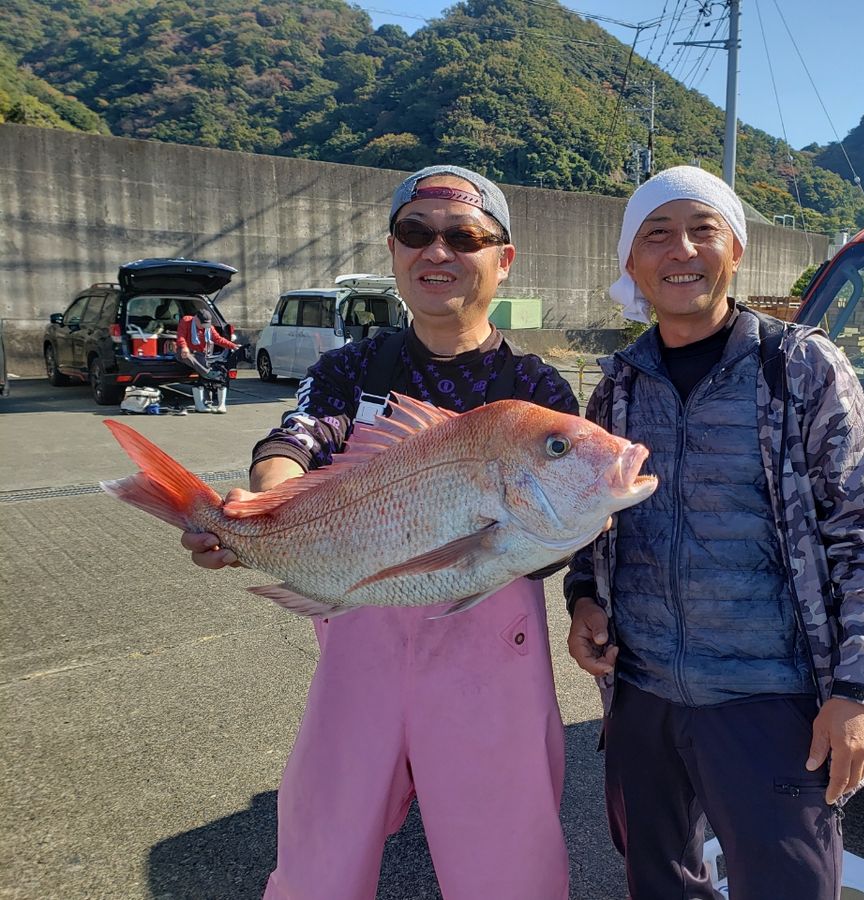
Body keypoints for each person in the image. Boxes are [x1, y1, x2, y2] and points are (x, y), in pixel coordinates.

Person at [182, 165, 575, 900]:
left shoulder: (539, 395)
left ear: (503, 258)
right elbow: (301, 432)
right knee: (323, 850)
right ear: (393, 252)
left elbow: (566, 527)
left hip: (491, 651)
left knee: (506, 861)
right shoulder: (350, 369)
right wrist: (261, 509)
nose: (438, 252)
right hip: (359, 638)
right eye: (414, 233)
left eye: (464, 236)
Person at [564, 166, 864, 899]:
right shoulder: (619, 384)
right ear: (632, 261)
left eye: (702, 230)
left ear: (736, 250)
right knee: (659, 884)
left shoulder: (799, 368)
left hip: (771, 699)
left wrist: (859, 690)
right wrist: (584, 599)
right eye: (656, 235)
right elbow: (592, 519)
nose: (680, 250)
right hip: (643, 697)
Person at [176, 306, 237, 413]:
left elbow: (218, 339)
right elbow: (180, 337)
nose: (204, 326)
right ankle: (207, 373)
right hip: (185, 351)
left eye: (207, 323)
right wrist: (184, 347)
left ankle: (209, 401)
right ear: (196, 318)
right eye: (202, 323)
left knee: (211, 375)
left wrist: (233, 346)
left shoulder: (209, 327)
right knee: (188, 356)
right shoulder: (186, 321)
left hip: (200, 354)